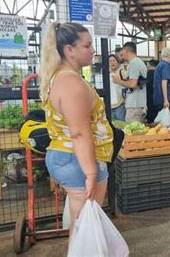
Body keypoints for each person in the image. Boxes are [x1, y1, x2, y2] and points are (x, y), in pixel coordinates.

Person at [40, 22, 114, 242]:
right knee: (86, 227)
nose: (93, 50)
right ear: (69, 50)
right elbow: (80, 134)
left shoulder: (59, 77)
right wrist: (91, 173)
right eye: (87, 45)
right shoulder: (72, 83)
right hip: (78, 160)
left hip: (69, 157)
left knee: (81, 224)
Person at [112, 42, 147, 123]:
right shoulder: (137, 62)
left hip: (134, 105)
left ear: (126, 50)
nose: (121, 53)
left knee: (132, 133)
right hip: (138, 104)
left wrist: (118, 81)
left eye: (123, 50)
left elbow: (132, 84)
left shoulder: (134, 63)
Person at [153, 48, 170, 115]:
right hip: (165, 99)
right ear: (169, 55)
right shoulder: (165, 65)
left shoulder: (160, 65)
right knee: (165, 122)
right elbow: (164, 82)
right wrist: (166, 100)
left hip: (158, 98)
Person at [108, 54, 125, 121]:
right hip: (109, 105)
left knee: (121, 125)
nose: (112, 62)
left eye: (114, 60)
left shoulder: (122, 73)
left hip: (120, 104)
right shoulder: (105, 75)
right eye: (110, 61)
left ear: (117, 62)